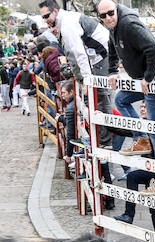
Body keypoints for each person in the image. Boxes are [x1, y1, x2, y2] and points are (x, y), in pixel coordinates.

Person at [99, 0, 155, 197]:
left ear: (116, 10)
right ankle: (141, 138)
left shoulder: (128, 24)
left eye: (110, 13)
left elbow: (153, 48)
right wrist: (112, 71)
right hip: (144, 79)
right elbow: (112, 48)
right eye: (103, 15)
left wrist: (149, 77)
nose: (108, 18)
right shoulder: (113, 27)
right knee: (121, 99)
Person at [39, 0, 115, 146]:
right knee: (97, 98)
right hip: (99, 56)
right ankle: (100, 139)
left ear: (55, 12)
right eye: (43, 18)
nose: (45, 20)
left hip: (103, 55)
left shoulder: (67, 25)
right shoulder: (67, 20)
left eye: (46, 16)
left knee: (100, 96)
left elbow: (79, 54)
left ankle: (105, 142)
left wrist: (85, 80)